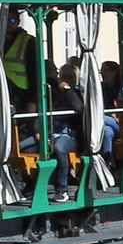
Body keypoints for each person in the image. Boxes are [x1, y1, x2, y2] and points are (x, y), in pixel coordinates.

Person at [49, 64, 84, 200]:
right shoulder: (53, 91)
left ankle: (62, 189)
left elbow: (79, 108)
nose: (65, 79)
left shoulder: (77, 92)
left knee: (59, 148)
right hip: (52, 131)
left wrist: (68, 90)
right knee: (23, 147)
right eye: (63, 76)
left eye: (69, 77)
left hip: (70, 134)